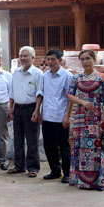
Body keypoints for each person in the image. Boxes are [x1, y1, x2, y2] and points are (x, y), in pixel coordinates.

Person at [65, 49, 104, 191]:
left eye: (88, 58)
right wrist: (83, 102)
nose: (85, 62)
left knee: (97, 148)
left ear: (94, 60)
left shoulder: (102, 78)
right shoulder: (76, 78)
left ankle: (99, 181)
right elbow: (70, 95)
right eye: (82, 59)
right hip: (81, 118)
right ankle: (83, 181)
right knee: (81, 148)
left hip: (98, 118)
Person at [8, 46, 43, 177]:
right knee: (18, 139)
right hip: (18, 109)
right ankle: (19, 166)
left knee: (32, 140)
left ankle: (33, 168)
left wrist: (36, 110)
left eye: (25, 56)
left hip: (31, 109)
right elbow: (12, 92)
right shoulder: (16, 72)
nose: (22, 58)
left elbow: (40, 93)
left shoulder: (38, 74)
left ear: (32, 58)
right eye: (21, 56)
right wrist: (11, 108)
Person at [41, 48, 72, 183]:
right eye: (49, 59)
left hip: (60, 116)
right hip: (47, 116)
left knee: (63, 146)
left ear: (60, 60)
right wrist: (42, 112)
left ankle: (66, 173)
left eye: (53, 59)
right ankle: (55, 171)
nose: (50, 62)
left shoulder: (67, 76)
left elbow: (70, 98)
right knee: (49, 145)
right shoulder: (45, 76)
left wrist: (67, 117)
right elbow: (43, 95)